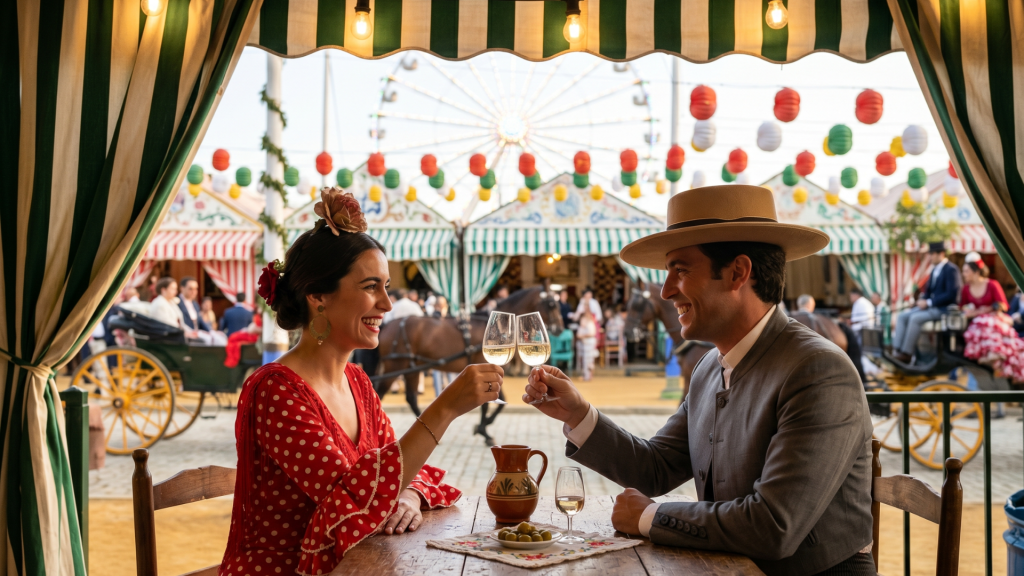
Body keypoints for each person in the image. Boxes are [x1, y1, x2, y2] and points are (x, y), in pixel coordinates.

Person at [524, 185, 874, 575]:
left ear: (739, 272)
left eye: (681, 270)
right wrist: (577, 413)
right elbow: (655, 468)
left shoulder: (819, 370)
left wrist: (650, 517)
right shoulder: (710, 366)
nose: (666, 289)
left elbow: (773, 526)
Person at [220, 188, 503, 576]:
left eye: (386, 287)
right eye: (371, 287)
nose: (387, 304)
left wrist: (410, 493)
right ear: (318, 297)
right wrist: (446, 408)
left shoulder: (357, 381)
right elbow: (354, 495)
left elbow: (395, 468)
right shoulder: (275, 390)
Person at [891, 242, 962, 363]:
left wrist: (929, 302)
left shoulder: (951, 269)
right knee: (902, 316)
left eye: (932, 254)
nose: (930, 257)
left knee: (915, 318)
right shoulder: (934, 270)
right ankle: (896, 349)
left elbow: (951, 294)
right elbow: (929, 291)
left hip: (942, 310)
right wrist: (921, 301)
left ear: (941, 254)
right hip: (930, 307)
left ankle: (907, 353)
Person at [961, 260, 1024, 382]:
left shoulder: (992, 285)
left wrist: (987, 310)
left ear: (976, 272)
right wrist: (971, 311)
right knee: (979, 323)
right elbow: (962, 307)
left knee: (987, 323)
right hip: (975, 323)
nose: (963, 274)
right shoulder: (966, 289)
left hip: (993, 320)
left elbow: (1003, 305)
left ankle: (995, 354)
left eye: (966, 271)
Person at [178, 276, 227, 345]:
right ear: (182, 288)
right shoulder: (177, 302)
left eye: (196, 289)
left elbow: (200, 322)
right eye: (190, 289)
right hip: (185, 338)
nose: (194, 292)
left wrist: (210, 331)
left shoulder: (195, 304)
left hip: (196, 336)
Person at [430, 296, 457, 397]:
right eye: (440, 304)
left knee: (451, 375)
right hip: (436, 351)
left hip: (449, 351)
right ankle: (438, 397)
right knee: (437, 374)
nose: (442, 306)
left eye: (443, 304)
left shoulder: (450, 316)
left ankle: (452, 396)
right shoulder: (432, 317)